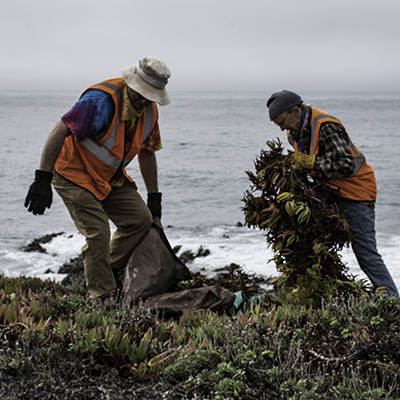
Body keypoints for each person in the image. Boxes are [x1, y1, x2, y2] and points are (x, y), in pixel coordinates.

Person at [25, 55, 172, 300]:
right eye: (141, 94)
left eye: (150, 97)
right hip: (72, 174)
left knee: (140, 220)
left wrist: (154, 196)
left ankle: (105, 269)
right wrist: (42, 179)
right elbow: (58, 131)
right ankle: (102, 297)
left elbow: (147, 153)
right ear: (132, 83)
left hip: (108, 177)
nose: (144, 100)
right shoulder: (100, 101)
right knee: (97, 233)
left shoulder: (149, 112)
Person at [266, 90, 399, 297]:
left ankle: (392, 303)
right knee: (307, 239)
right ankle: (321, 295)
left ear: (294, 111)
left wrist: (311, 163)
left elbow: (345, 165)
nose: (281, 127)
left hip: (357, 192)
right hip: (330, 190)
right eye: (276, 124)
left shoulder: (326, 125)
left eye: (281, 121)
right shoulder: (294, 134)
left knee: (366, 254)